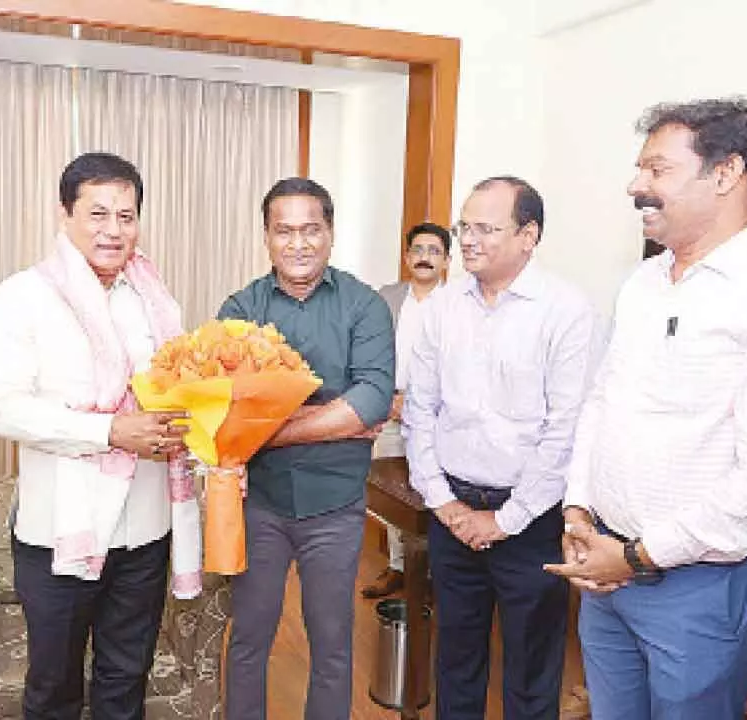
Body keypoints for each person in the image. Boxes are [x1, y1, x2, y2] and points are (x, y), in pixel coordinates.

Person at [545, 97, 747, 718]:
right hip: (603, 567)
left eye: (656, 169)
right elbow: (603, 404)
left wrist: (634, 556)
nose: (636, 185)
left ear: (724, 173)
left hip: (704, 590)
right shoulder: (644, 283)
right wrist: (580, 509)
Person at [0, 152, 198, 719]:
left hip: (144, 528)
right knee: (53, 688)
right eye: (98, 214)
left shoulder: (154, 300)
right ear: (64, 215)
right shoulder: (22, 296)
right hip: (59, 533)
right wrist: (112, 431)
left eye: (126, 216)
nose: (113, 230)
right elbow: (4, 409)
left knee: (126, 679)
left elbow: (177, 389)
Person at [405, 177, 596, 719]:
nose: (468, 240)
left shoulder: (565, 310)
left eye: (486, 228)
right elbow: (420, 411)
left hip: (531, 521)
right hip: (453, 514)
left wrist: (507, 520)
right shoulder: (442, 307)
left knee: (533, 668)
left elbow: (566, 429)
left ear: (528, 235)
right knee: (456, 657)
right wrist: (444, 503)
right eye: (464, 226)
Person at [220, 177, 395, 720]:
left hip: (336, 507)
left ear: (331, 233)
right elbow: (225, 407)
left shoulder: (364, 306)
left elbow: (370, 399)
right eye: (284, 231)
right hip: (259, 505)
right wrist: (333, 416)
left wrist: (270, 427)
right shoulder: (240, 308)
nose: (298, 243)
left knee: (332, 645)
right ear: (267, 238)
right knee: (248, 640)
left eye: (310, 230)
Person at [363, 222, 451, 599]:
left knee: (435, 490)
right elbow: (370, 354)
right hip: (390, 408)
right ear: (406, 257)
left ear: (447, 260)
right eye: (418, 250)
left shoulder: (460, 303)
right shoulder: (386, 298)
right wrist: (387, 397)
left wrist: (420, 403)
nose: (425, 258)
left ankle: (436, 572)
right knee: (394, 492)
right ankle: (399, 566)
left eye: (434, 251)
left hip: (440, 417)